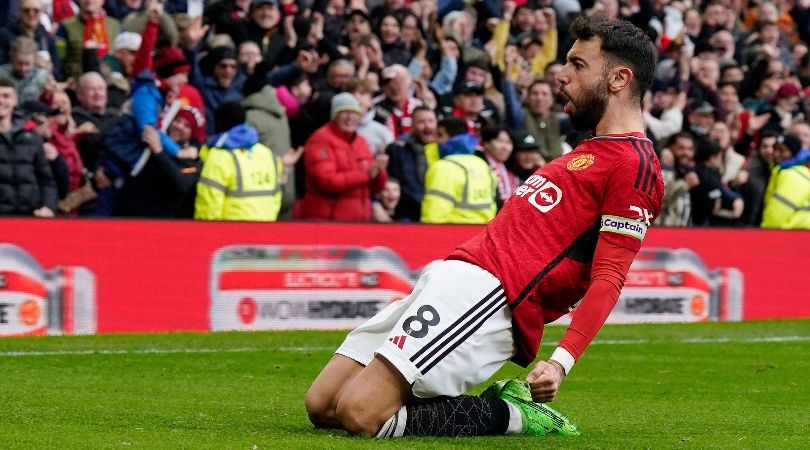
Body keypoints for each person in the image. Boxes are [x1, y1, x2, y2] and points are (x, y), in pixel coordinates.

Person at [305, 15, 663, 438]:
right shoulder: (586, 151)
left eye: (578, 65)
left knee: (361, 416)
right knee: (323, 404)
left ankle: (512, 415)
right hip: (452, 274)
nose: (561, 76)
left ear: (619, 78)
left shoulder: (635, 166)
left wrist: (561, 360)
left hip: (494, 298)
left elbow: (610, 275)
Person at [296, 92, 388, 222]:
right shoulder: (320, 140)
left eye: (354, 113)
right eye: (344, 112)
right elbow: (327, 181)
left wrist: (380, 170)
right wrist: (366, 175)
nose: (350, 118)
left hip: (359, 222)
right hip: (327, 221)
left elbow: (376, 187)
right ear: (334, 116)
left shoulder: (361, 141)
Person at [194, 101, 282, 221]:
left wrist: (205, 234)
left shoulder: (220, 155)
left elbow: (209, 203)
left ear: (219, 123)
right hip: (265, 229)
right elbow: (276, 197)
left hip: (231, 233)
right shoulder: (267, 154)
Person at [421, 117, 497, 224]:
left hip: (453, 235)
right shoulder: (482, 164)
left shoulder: (443, 168)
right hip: (481, 234)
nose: (435, 140)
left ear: (453, 138)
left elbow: (433, 216)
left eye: (440, 135)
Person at [0, 77, 58, 217]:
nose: (1, 101)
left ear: (16, 100)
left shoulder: (32, 137)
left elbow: (47, 180)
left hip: (31, 219)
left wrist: (48, 206)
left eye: (6, 96)